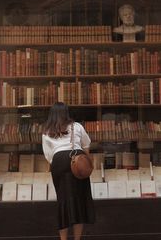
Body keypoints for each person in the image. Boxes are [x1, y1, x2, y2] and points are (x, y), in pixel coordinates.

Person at [42, 102, 95, 240]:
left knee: (63, 201)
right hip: (78, 160)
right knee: (79, 201)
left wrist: (59, 164)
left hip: (59, 162)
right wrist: (88, 163)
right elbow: (86, 145)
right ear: (67, 113)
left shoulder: (47, 131)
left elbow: (49, 156)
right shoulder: (76, 126)